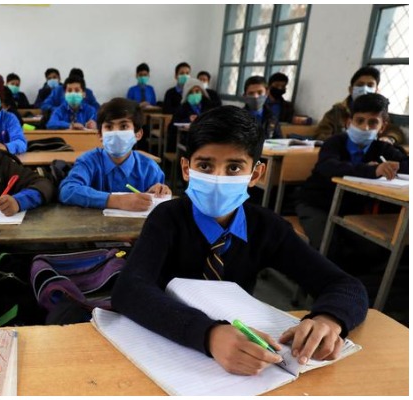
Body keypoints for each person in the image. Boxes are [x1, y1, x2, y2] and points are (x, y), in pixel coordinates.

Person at [112, 105, 368, 376]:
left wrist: (328, 319)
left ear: (255, 175)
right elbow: (129, 290)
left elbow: (346, 285)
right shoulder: (167, 218)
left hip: (239, 353)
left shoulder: (266, 227)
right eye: (205, 165)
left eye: (234, 167)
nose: (218, 178)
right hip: (164, 341)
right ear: (186, 168)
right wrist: (209, 334)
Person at [296, 93, 408, 257]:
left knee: (371, 249)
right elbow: (329, 167)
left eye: (373, 122)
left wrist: (398, 165)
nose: (365, 127)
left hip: (351, 211)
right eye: (360, 121)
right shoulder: (334, 143)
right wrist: (372, 170)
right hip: (317, 204)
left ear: (382, 127)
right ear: (349, 122)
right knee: (328, 245)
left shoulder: (382, 149)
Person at [59, 98, 170, 210]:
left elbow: (159, 209)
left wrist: (161, 193)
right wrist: (117, 200)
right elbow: (67, 190)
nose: (116, 133)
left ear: (138, 134)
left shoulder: (150, 169)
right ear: (100, 135)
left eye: (124, 126)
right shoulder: (88, 161)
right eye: (109, 127)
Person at [314, 66, 405, 145]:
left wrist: (389, 139)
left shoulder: (379, 112)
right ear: (351, 89)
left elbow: (395, 132)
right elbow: (321, 135)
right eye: (360, 85)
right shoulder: (337, 111)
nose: (365, 89)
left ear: (377, 90)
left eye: (370, 85)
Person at [166, 77, 218, 149]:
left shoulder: (209, 105)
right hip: (186, 137)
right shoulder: (182, 107)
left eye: (197, 91)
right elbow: (173, 124)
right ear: (186, 94)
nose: (194, 94)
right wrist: (188, 119)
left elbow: (215, 120)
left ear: (202, 92)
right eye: (191, 92)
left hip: (206, 136)